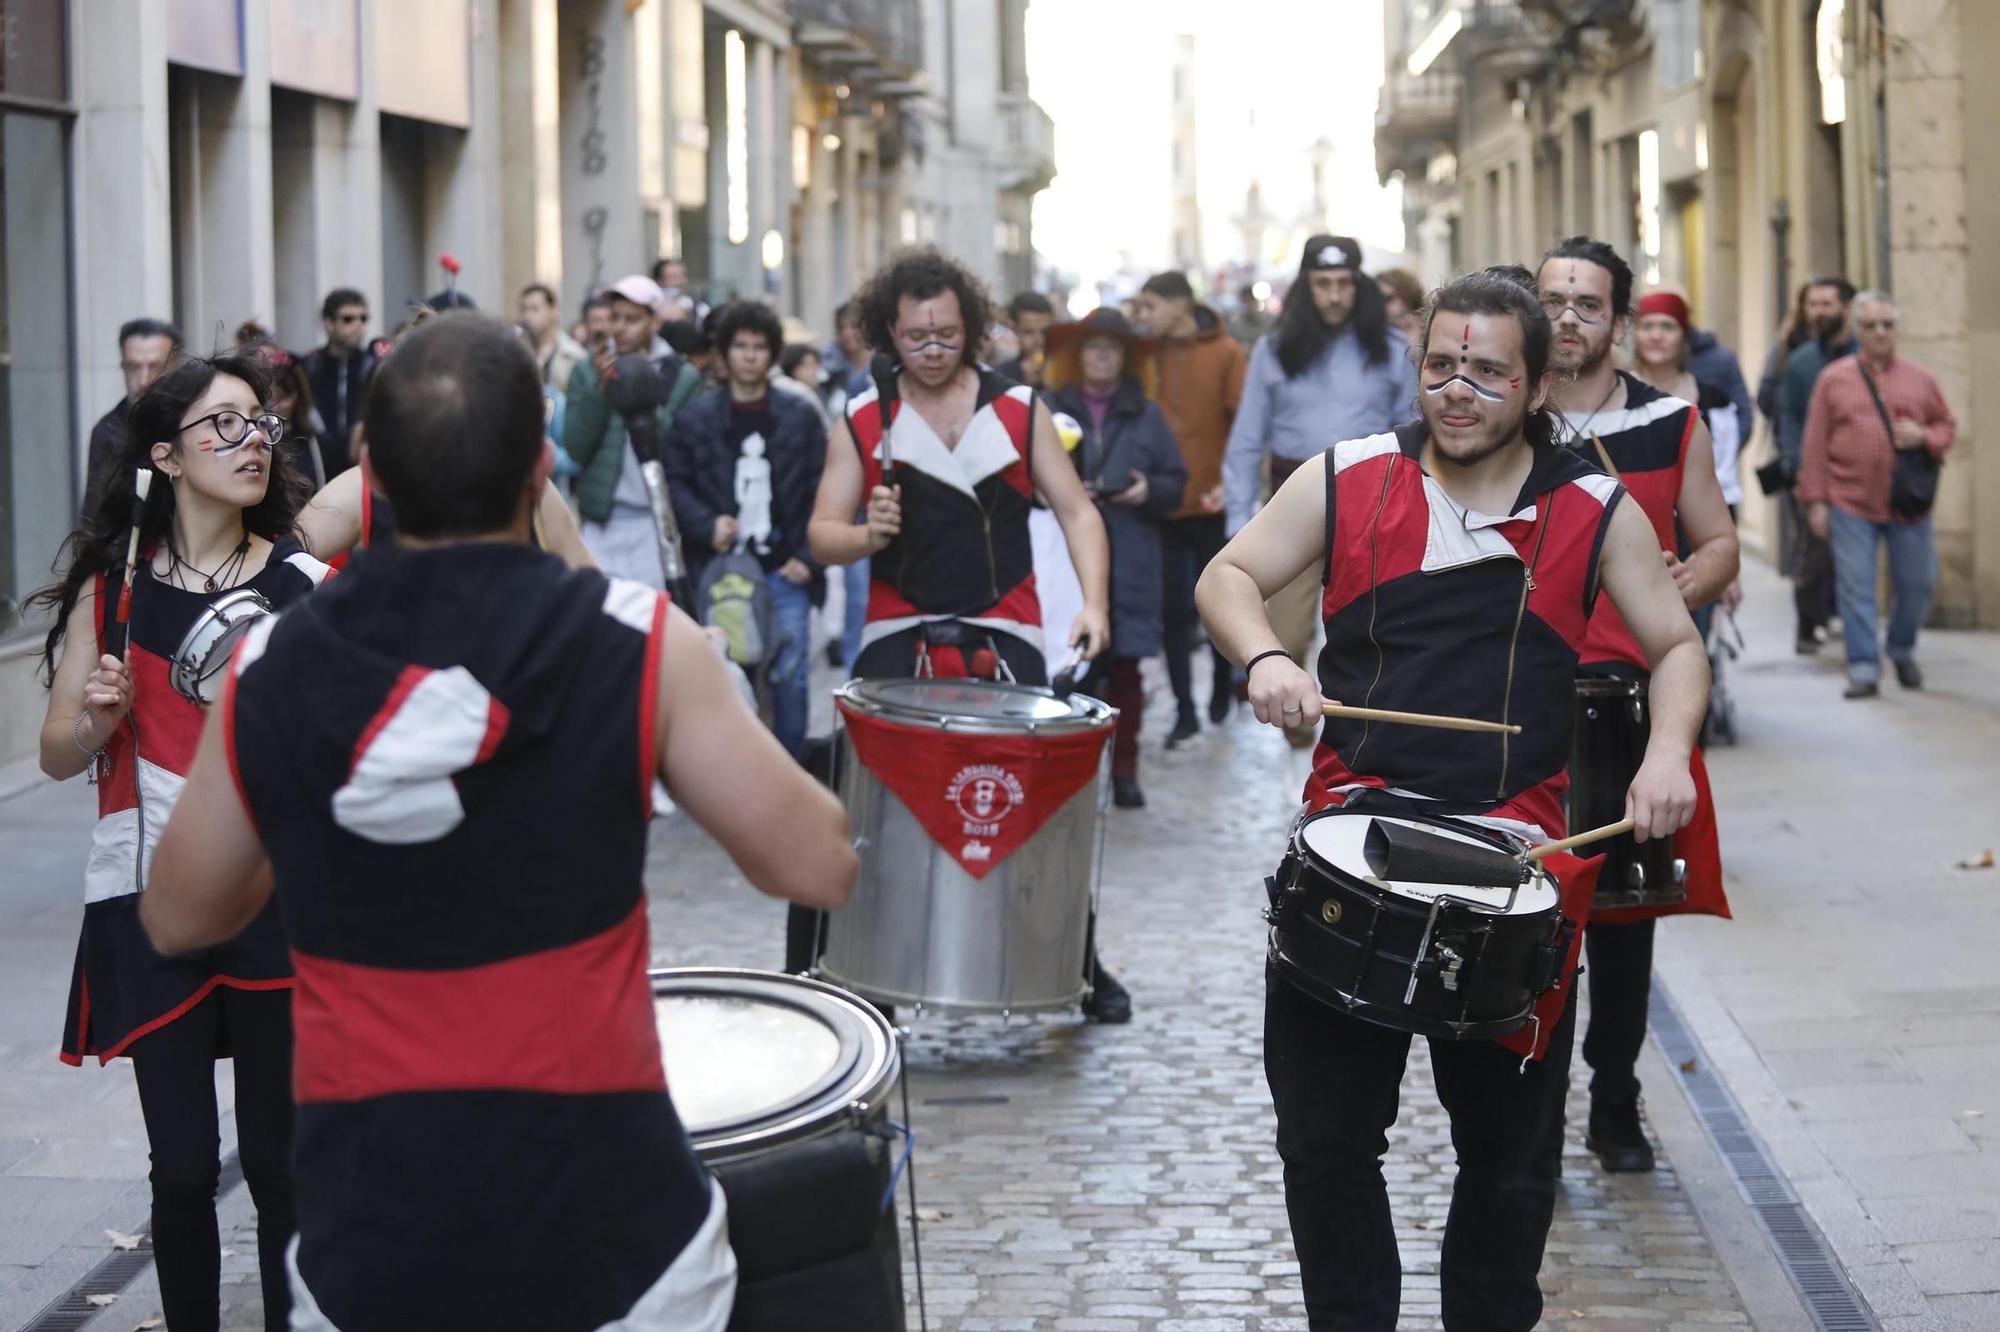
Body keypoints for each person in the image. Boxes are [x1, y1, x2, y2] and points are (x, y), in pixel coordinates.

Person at [140, 313, 857, 1331]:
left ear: (365, 465)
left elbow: (176, 917)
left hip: (372, 1230)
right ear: (543, 466)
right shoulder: (638, 642)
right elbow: (819, 862)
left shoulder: (270, 668)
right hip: (612, 1228)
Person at [1196, 266, 1707, 1332]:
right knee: (1324, 1143)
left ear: (1532, 384)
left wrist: (1664, 754)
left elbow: (1673, 648)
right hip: (1352, 845)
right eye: (1439, 366)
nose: (1456, 390)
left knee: (1510, 1164)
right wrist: (1263, 660)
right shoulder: (1345, 477)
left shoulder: (1589, 507)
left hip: (1511, 866)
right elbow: (1227, 579)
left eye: (1484, 371)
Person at [33, 352, 331, 1332]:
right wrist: (96, 722)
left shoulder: (303, 586)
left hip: (271, 900)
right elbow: (56, 758)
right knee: (185, 1169)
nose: (253, 444)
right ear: (163, 454)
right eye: (225, 427)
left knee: (282, 1165)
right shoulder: (110, 595)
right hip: (149, 904)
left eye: (264, 427)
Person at [806, 246, 1119, 1011]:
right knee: (862, 798)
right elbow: (821, 535)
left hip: (1003, 623)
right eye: (918, 337)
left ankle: (1079, 961)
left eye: (947, 334)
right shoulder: (865, 414)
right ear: (889, 331)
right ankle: (834, 960)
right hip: (897, 624)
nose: (934, 349)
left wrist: (1094, 605)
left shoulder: (1019, 408)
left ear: (972, 328)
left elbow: (1077, 511)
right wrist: (868, 536)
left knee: (1042, 796)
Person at [1538, 237, 1738, 1176]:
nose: (1568, 316)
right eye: (1553, 299)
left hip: (1632, 698)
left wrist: (1681, 588)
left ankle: (1614, 1098)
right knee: (1533, 919)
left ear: (1620, 322)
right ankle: (1530, 1106)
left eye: (1587, 302)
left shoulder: (1671, 423)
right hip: (1528, 701)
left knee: (1623, 924)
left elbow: (1719, 544)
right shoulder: (1503, 417)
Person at [1221, 235, 1417, 747]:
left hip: (1374, 507)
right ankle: (1300, 729)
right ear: (1307, 289)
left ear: (1359, 287)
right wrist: (1238, 526)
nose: (1334, 295)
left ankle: (1367, 741)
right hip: (1292, 508)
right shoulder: (1274, 349)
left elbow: (1413, 432)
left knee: (1376, 636)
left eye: (1344, 284)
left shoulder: (1392, 350)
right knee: (1282, 640)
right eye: (1323, 284)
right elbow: (1246, 440)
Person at [665, 301, 828, 757]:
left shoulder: (800, 417)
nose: (750, 356)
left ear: (773, 354)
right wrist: (706, 524)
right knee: (728, 677)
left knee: (791, 676)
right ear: (725, 352)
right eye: (740, 346)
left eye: (760, 347)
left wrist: (808, 557)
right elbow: (674, 484)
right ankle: (740, 778)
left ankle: (792, 771)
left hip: (785, 571)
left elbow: (826, 489)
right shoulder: (695, 418)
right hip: (721, 572)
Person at [1043, 309, 1188, 808]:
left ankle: (1124, 770)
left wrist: (1149, 490)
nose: (1101, 356)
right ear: (1076, 355)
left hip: (1131, 556)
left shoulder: (1145, 412)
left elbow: (1175, 482)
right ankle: (1072, 771)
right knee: (1074, 667)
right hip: (1066, 560)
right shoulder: (1049, 408)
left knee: (1126, 669)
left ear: (1124, 357)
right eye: (1092, 346)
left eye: (1110, 347)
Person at [1796, 290, 1955, 698]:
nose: (1880, 332)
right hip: (1850, 500)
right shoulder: (1834, 379)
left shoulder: (1920, 378)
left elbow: (1946, 427)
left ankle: (1901, 649)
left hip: (1908, 505)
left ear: (1897, 329)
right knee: (1855, 587)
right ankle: (1864, 666)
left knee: (1918, 584)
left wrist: (1923, 435)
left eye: (1887, 324)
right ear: (1858, 331)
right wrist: (1815, 500)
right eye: (1871, 325)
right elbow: (1814, 443)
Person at [1133, 268, 1247, 742]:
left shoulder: (1227, 353)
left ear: (1179, 306)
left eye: (1150, 306)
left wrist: (1231, 484)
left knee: (1216, 608)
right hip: (1160, 505)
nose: (1143, 316)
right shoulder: (1144, 355)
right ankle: (1184, 709)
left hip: (1210, 504)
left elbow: (1242, 426)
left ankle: (1223, 685)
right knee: (1172, 612)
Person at [563, 274, 706, 586]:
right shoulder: (588, 368)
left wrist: (644, 389)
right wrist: (601, 390)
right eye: (615, 317)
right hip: (601, 519)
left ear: (654, 323)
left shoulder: (681, 375)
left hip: (654, 521)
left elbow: (683, 452)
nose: (620, 328)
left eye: (633, 319)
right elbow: (575, 446)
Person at [1777, 277, 1857, 655]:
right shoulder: (1801, 361)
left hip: (1857, 474)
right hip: (1812, 474)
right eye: (1813, 304)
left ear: (1846, 307)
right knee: (1813, 554)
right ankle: (1808, 623)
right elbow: (1788, 415)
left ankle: (1847, 622)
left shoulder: (1863, 357)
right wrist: (1795, 461)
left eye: (1827, 303)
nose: (1819, 311)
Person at [1630, 291, 1744, 513]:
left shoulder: (1713, 399)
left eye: (1667, 327)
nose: (1656, 335)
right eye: (1647, 326)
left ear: (1684, 335)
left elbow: (1723, 475)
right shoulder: (1614, 393)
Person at [83, 317, 183, 518]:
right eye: (133, 367)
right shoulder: (108, 432)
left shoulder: (196, 420)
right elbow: (95, 518)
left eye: (155, 366)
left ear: (175, 365)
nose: (144, 380)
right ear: (123, 366)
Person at [236, 322, 329, 490]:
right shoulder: (252, 439)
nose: (274, 406)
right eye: (268, 398)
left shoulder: (316, 443)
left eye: (282, 399)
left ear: (296, 396)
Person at [300, 287, 376, 479]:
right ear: (328, 323)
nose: (358, 326)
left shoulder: (372, 366)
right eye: (348, 319)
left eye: (363, 318)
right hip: (317, 471)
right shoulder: (309, 366)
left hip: (361, 471)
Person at [520, 281, 587, 392]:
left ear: (553, 310)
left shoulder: (573, 355)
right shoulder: (519, 353)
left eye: (534, 309)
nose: (527, 316)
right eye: (524, 309)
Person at [993, 290, 1055, 388]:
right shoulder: (1000, 376)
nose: (1039, 341)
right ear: (1014, 329)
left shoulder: (1065, 370)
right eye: (1028, 332)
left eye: (1044, 332)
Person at [1376, 267, 1426, 343]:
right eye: (1375, 297)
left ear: (1405, 300)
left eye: (1386, 298)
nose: (1378, 303)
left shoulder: (1427, 335)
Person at [1228, 281, 1276, 347]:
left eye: (1251, 300)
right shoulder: (1235, 326)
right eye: (1245, 301)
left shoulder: (1271, 322)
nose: (1248, 305)